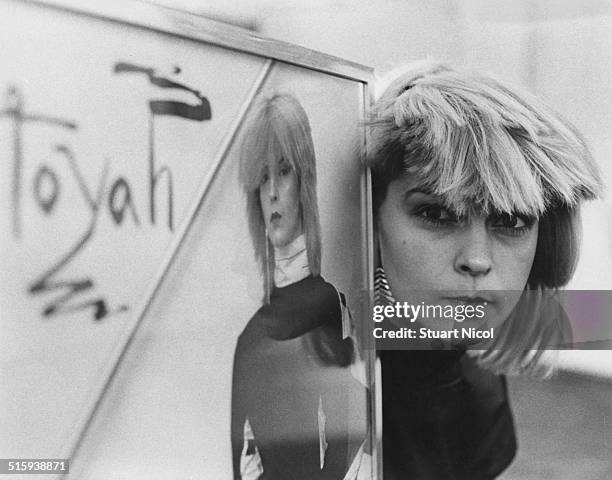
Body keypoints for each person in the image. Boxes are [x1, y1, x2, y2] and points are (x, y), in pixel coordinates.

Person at [366, 61, 603, 479]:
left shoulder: (478, 386)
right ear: (370, 216)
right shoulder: (319, 382)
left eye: (510, 221)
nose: (477, 259)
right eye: (437, 213)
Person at [231, 93, 369, 480]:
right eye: (261, 178)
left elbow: (351, 431)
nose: (272, 191)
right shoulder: (249, 339)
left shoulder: (329, 305)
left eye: (284, 171)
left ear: (304, 178)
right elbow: (241, 463)